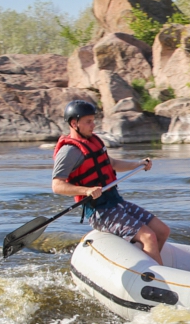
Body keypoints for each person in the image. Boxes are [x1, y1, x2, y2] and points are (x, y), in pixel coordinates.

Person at [52, 100, 170, 264]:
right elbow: (57, 185)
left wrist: (137, 164)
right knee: (148, 236)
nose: (93, 125)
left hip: (116, 203)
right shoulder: (69, 152)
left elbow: (112, 164)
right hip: (99, 212)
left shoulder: (94, 142)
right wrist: (86, 191)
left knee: (162, 231)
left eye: (93, 120)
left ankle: (146, 263)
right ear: (74, 123)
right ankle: (157, 281)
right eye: (88, 122)